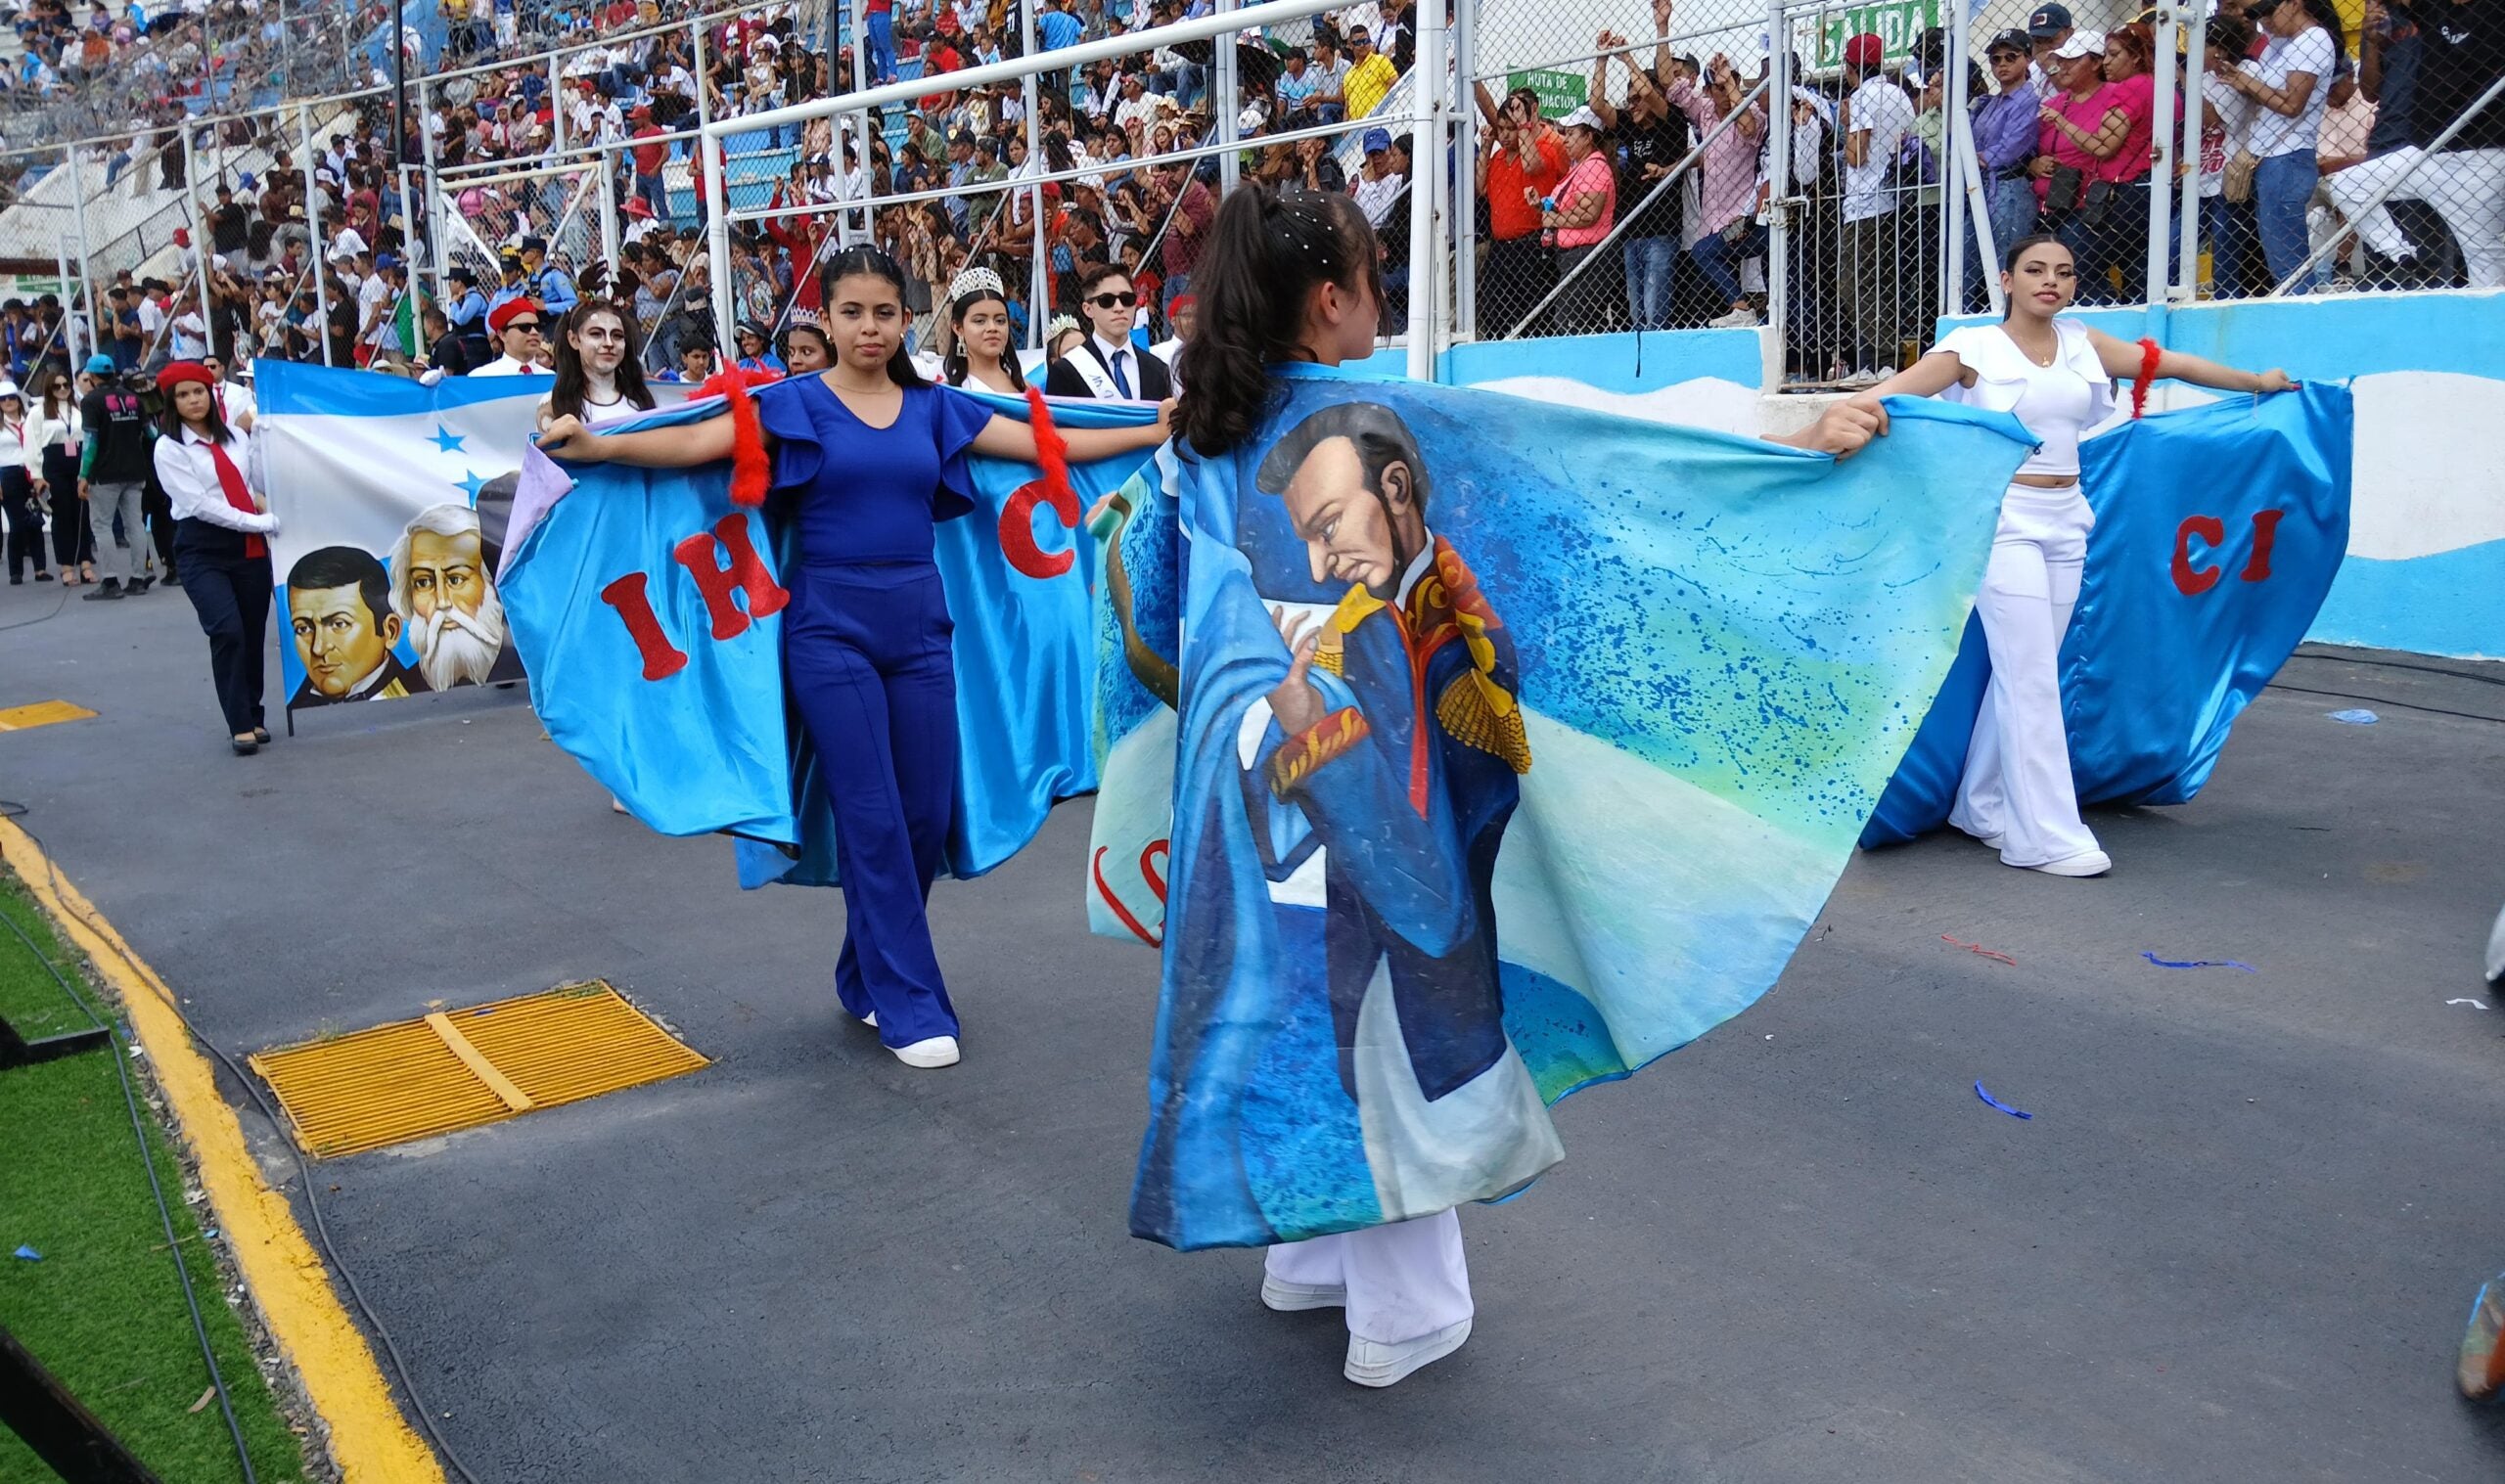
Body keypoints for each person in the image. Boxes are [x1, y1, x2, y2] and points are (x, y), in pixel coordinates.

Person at [1161, 185, 1882, 1390]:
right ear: (1331, 299)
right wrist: (1785, 436)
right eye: (1371, 275)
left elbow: (1157, 597)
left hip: (1251, 803)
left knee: (1306, 1019)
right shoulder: (1367, 417)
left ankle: (1309, 1256)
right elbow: (1578, 447)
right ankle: (1402, 1309)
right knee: (1395, 1036)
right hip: (1355, 786)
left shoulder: (1202, 434)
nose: (1380, 298)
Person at [538, 246, 1170, 1071]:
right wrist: (600, 448)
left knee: (923, 814)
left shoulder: (935, 407)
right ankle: (910, 1000)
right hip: (828, 633)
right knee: (870, 812)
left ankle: (862, 967)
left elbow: (1044, 445)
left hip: (922, 630)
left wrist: (1158, 427)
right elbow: (696, 443)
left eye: (883, 312)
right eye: (852, 313)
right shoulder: (793, 404)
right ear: (826, 319)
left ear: (905, 320)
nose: (868, 328)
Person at [1845, 235, 2292, 877]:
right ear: (2007, 279)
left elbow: (2169, 366)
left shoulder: (2082, 343)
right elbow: (1891, 395)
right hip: (2003, 522)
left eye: (2063, 271)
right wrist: (1832, 431)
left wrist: (2256, 382)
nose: (2050, 280)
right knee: (2031, 677)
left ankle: (1984, 803)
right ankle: (2044, 835)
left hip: (2068, 518)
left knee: (2026, 671)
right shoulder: (1974, 347)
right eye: (2034, 270)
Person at [2326, 0, 2505, 289]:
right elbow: (2371, 89)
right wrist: (2373, 43)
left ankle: (2489, 324)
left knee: (2484, 266)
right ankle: (2401, 255)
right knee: (2347, 185)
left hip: (2482, 155)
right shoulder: (2434, 12)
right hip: (2428, 153)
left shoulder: (2494, 11)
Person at [155, 362, 280, 754]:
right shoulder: (169, 448)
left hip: (249, 547)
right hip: (202, 546)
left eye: (199, 391)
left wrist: (263, 504)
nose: (193, 400)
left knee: (253, 631)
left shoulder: (235, 440)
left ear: (211, 394)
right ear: (172, 403)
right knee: (227, 630)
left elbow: (253, 483)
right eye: (183, 394)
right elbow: (201, 504)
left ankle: (254, 714)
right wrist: (258, 522)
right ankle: (239, 722)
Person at [2225, 0, 2341, 292]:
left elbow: (2292, 104)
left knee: (2289, 261)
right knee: (2279, 258)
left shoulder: (2313, 39)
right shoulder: (2278, 44)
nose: (2266, 22)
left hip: (2287, 156)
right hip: (2269, 157)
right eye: (2259, 16)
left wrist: (2248, 83)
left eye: (2270, 12)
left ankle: (2305, 317)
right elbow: (2271, 95)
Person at [1839, 32, 1918, 382]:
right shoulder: (1898, 94)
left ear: (1849, 66)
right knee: (1883, 282)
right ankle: (1877, 362)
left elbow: (1857, 156)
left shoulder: (1861, 97)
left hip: (1864, 204)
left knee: (1853, 283)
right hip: (1893, 197)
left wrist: (1845, 128)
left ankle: (1879, 361)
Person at [390, 503, 519, 692]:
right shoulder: (401, 691)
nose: (442, 602)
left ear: (490, 583)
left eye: (456, 579)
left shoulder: (538, 671)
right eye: (424, 582)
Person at [284, 545, 430, 706]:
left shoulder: (423, 685)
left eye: (339, 624)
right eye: (303, 629)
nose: (318, 648)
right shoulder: (299, 704)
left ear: (390, 631)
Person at [78, 353, 155, 601]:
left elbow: (91, 442)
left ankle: (110, 580)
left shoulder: (91, 401)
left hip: (105, 472)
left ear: (90, 375)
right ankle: (138, 577)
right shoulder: (133, 398)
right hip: (135, 469)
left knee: (102, 526)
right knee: (136, 525)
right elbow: (151, 433)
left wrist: (83, 475)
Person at [1542, 106, 1618, 337]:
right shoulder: (1581, 167)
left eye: (1572, 134)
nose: (1565, 140)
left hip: (1586, 255)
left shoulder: (1594, 166)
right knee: (1573, 318)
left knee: (1571, 320)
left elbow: (1588, 215)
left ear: (1588, 137)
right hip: (1574, 254)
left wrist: (1554, 219)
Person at [1045, 263, 1171, 401]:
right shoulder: (1066, 371)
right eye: (1107, 301)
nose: (1119, 307)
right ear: (1088, 309)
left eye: (1127, 299)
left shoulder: (1158, 370)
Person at [538, 297, 657, 431]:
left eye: (617, 336)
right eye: (596, 334)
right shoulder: (554, 404)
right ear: (574, 340)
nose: (609, 344)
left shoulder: (641, 400)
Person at [31, 369, 89, 587]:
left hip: (77, 460)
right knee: (62, 515)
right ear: (49, 389)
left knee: (82, 513)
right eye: (57, 386)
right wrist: (37, 475)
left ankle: (85, 563)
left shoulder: (78, 409)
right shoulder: (39, 412)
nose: (63, 389)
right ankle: (66, 566)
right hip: (53, 463)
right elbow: (33, 444)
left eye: (66, 385)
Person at [938, 267, 1026, 394]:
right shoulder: (949, 393)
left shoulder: (1025, 389)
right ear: (958, 328)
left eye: (1000, 321)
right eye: (980, 321)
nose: (992, 328)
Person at [0, 384, 45, 584]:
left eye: (11, 397)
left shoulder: (30, 421)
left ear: (18, 400)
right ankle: (15, 571)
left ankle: (40, 569)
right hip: (7, 473)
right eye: (2, 399)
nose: (7, 402)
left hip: (31, 471)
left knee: (36, 520)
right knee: (17, 523)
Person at [473, 298, 548, 376]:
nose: (534, 332)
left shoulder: (552, 379)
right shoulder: (482, 377)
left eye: (538, 327)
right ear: (503, 335)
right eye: (525, 327)